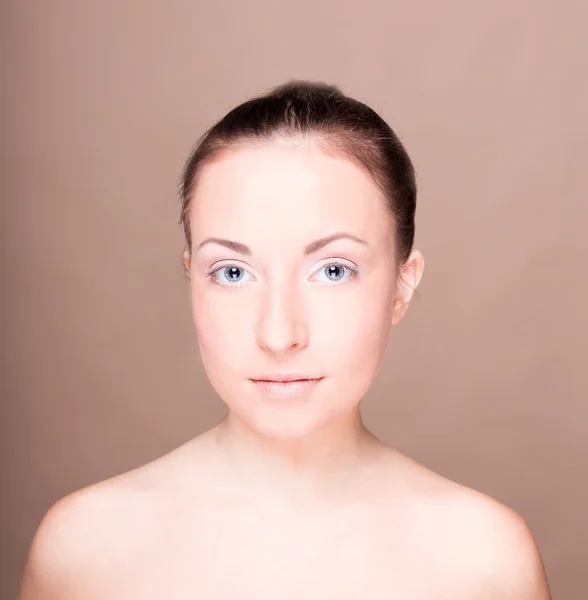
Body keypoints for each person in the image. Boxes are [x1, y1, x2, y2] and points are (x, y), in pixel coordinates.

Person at [19, 80, 551, 599]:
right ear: (191, 277)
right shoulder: (84, 552)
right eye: (231, 272)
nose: (278, 334)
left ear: (402, 285)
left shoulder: (487, 563)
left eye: (334, 271)